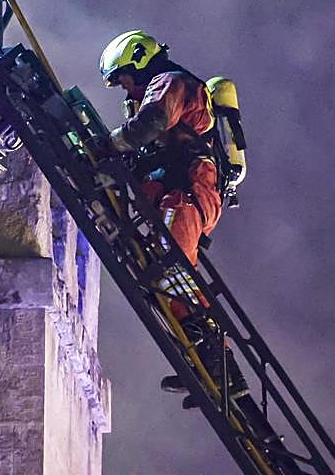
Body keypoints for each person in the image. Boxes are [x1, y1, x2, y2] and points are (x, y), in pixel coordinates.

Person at [98, 30, 245, 404]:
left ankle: (219, 367)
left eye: (125, 80)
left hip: (187, 193)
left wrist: (105, 146)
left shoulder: (169, 83)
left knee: (172, 270)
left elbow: (149, 124)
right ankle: (207, 368)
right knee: (162, 276)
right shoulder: (164, 87)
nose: (127, 91)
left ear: (139, 60)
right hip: (180, 192)